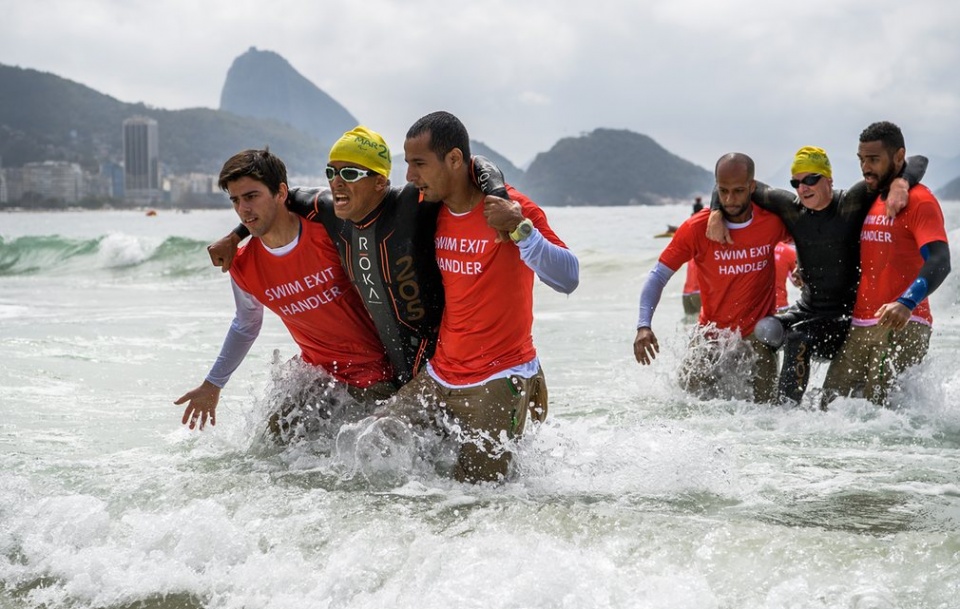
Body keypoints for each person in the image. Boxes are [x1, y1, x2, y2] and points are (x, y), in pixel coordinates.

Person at [208, 126, 509, 387]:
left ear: (380, 181)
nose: (337, 181)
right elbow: (278, 202)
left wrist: (500, 197)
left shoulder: (409, 205)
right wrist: (236, 236)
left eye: (350, 173)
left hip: (431, 369)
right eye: (331, 172)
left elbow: (472, 165)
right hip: (369, 375)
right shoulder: (332, 213)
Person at [377, 110, 579, 483]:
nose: (410, 176)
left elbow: (568, 277)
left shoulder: (513, 208)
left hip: (500, 377)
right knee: (372, 446)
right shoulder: (429, 211)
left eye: (419, 163)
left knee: (477, 496)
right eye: (408, 164)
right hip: (440, 374)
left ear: (454, 159)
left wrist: (520, 230)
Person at [174, 149, 394, 438]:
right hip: (318, 377)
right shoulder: (242, 264)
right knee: (269, 447)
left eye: (251, 196)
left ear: (281, 192)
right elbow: (246, 324)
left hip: (379, 377)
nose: (243, 209)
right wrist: (213, 384)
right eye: (235, 200)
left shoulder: (329, 234)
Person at [705, 146, 927, 405]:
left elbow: (918, 160)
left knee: (798, 338)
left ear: (829, 180)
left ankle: (786, 411)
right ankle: (760, 402)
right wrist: (715, 211)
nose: (803, 187)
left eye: (811, 179)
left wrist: (901, 182)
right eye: (796, 182)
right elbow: (732, 183)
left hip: (845, 317)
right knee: (764, 330)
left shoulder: (850, 203)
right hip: (808, 311)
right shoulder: (791, 208)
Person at [634, 153, 789, 402]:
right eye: (724, 191)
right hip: (711, 336)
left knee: (766, 413)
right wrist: (644, 325)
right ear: (716, 188)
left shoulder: (771, 222)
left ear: (752, 187)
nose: (730, 199)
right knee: (682, 405)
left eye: (739, 191)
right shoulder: (697, 228)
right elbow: (658, 276)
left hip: (757, 338)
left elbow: (808, 239)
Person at [822, 121, 950, 406]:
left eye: (874, 160)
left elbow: (940, 260)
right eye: (862, 159)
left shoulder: (919, 201)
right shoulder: (873, 196)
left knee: (882, 418)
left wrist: (906, 302)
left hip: (902, 323)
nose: (866, 167)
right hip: (861, 324)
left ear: (898, 156)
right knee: (827, 406)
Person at [774, 239, 798, 312]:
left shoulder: (752, 250)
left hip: (757, 307)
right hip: (780, 305)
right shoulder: (789, 252)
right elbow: (797, 282)